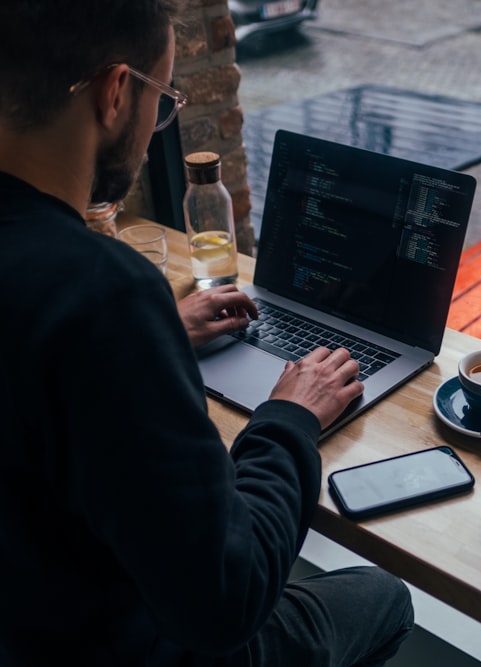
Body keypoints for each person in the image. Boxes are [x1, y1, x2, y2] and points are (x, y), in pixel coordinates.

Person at [0, 1, 413, 665]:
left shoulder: (83, 299)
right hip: (136, 646)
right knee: (385, 593)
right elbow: (226, 599)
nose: (157, 122)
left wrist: (156, 334)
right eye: (162, 97)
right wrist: (289, 418)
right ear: (114, 91)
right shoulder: (103, 293)